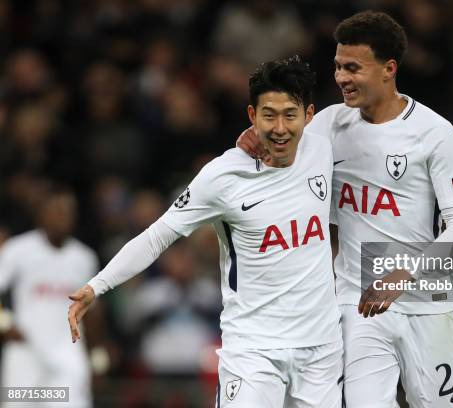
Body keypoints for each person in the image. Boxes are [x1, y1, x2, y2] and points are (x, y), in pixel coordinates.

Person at [68, 56, 344, 408]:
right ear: (251, 115)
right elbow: (158, 236)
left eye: (290, 114)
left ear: (308, 115)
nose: (279, 128)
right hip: (253, 350)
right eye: (268, 115)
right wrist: (97, 285)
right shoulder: (223, 176)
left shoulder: (323, 148)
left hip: (320, 350)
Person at [238, 11, 453, 408]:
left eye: (353, 68)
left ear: (389, 69)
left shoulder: (434, 133)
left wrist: (406, 272)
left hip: (429, 301)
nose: (342, 78)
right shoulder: (328, 125)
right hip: (358, 299)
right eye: (337, 67)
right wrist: (255, 141)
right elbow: (278, 158)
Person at [0, 187, 100, 408]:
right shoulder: (18, 250)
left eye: (67, 212)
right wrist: (4, 323)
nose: (62, 218)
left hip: (67, 353)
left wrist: (95, 355)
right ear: (42, 214)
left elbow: (93, 311)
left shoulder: (84, 258)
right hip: (25, 352)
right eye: (56, 211)